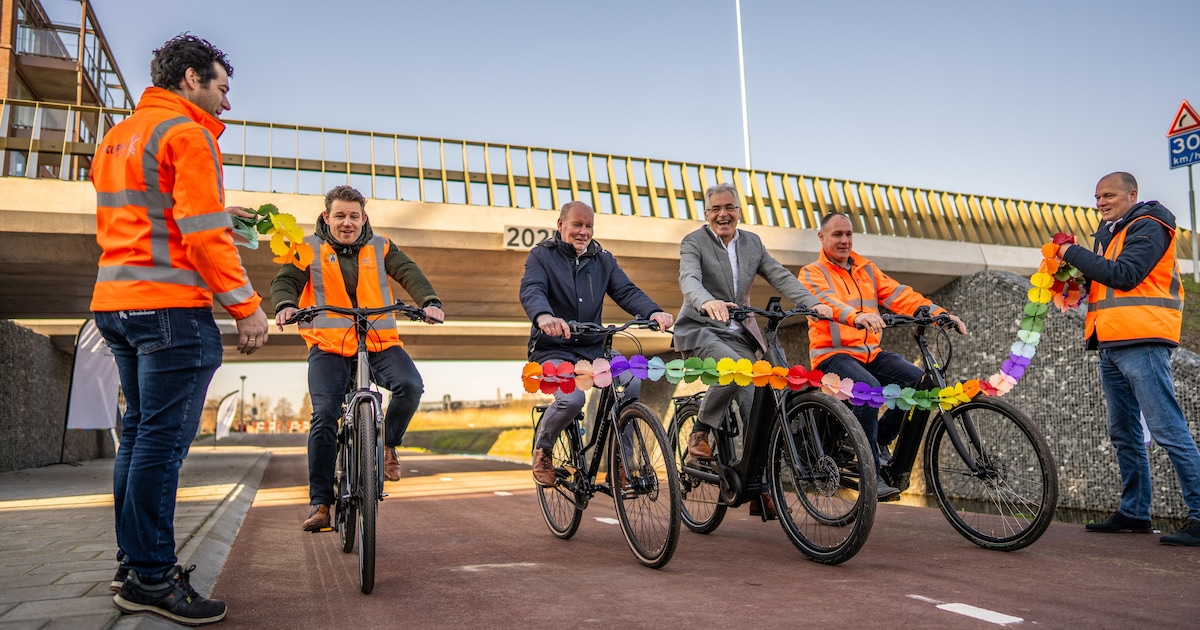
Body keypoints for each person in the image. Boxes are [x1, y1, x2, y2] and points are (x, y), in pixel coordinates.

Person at [91, 34, 269, 626]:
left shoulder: (120, 136)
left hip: (116, 302)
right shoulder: (187, 134)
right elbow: (198, 234)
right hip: (170, 307)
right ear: (192, 78)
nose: (226, 102)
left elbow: (151, 214)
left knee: (139, 437)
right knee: (161, 447)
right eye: (222, 87)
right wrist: (246, 306)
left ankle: (132, 562)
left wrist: (224, 211)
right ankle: (151, 579)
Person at [273, 185, 445, 531]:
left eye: (354, 216)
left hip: (379, 340)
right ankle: (321, 503)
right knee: (324, 416)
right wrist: (286, 305)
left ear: (363, 218)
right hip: (329, 345)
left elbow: (409, 272)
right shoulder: (306, 248)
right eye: (340, 216)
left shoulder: (381, 246)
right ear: (327, 217)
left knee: (411, 385)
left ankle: (388, 445)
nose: (347, 222)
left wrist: (429, 302)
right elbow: (286, 280)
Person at [1058, 171, 1200, 545]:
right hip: (1112, 343)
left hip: (1144, 340)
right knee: (1124, 433)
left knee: (1169, 430)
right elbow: (1103, 282)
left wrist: (1071, 252)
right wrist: (1072, 279)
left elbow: (1126, 276)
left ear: (1132, 194)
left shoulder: (1150, 224)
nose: (1101, 202)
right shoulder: (1110, 233)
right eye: (1097, 197)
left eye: (1109, 195)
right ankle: (1135, 513)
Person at [674, 182, 832, 516]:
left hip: (740, 336)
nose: (723, 214)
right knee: (735, 370)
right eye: (715, 209)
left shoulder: (752, 244)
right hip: (702, 331)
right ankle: (701, 429)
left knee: (759, 405)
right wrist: (707, 302)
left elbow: (781, 277)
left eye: (729, 207)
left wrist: (813, 305)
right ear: (706, 214)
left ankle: (758, 484)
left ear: (739, 211)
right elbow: (690, 281)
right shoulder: (694, 242)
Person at [799, 211, 966, 501]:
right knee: (867, 390)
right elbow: (827, 301)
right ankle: (870, 473)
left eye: (848, 234)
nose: (844, 240)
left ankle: (878, 442)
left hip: (869, 353)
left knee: (920, 384)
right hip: (833, 355)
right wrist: (857, 316)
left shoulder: (866, 269)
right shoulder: (812, 272)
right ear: (822, 237)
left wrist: (940, 314)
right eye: (837, 234)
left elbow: (901, 295)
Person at [520, 201, 673, 486]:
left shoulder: (603, 259)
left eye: (589, 226)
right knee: (572, 398)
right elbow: (533, 289)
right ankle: (543, 448)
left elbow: (626, 291)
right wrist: (544, 316)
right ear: (561, 225)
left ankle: (621, 463)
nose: (583, 232)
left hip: (594, 348)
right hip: (554, 348)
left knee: (631, 380)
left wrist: (652, 311)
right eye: (577, 225)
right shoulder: (541, 256)